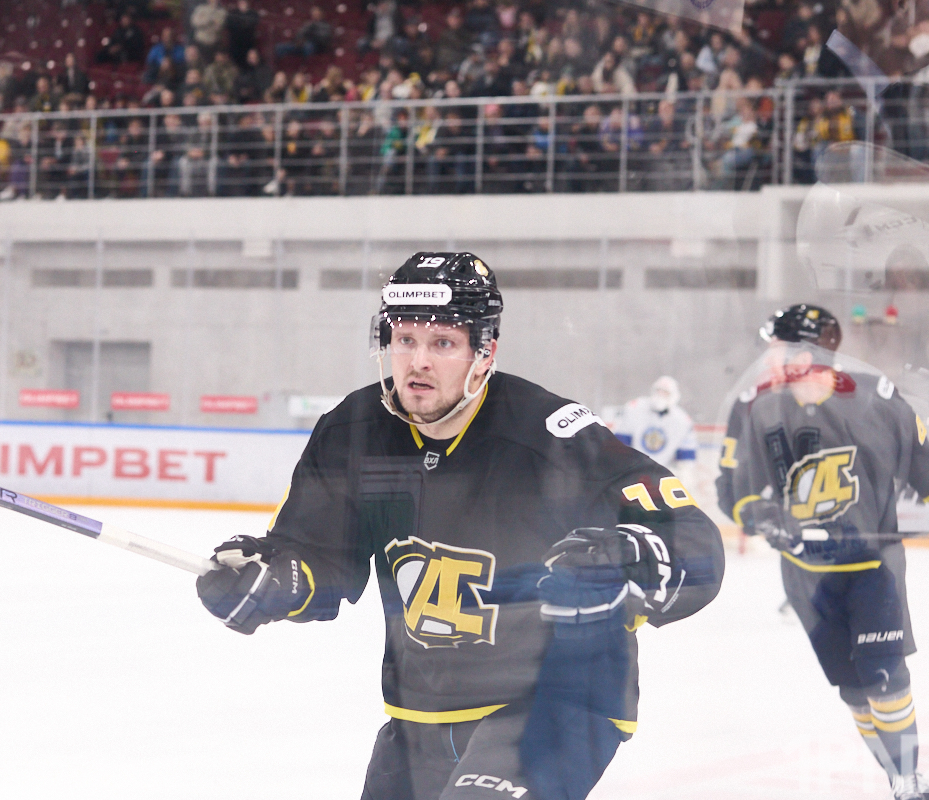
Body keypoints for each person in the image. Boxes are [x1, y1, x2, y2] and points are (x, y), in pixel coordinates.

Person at [195, 252, 725, 800]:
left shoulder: (547, 437)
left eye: (443, 343)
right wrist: (275, 579)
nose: (418, 362)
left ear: (484, 352)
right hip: (419, 713)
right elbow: (317, 555)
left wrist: (633, 558)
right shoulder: (354, 432)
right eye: (405, 340)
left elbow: (691, 539)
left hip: (555, 703)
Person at [716, 304, 929, 800]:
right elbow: (730, 490)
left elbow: (918, 462)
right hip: (807, 575)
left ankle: (907, 780)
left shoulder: (872, 396)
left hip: (872, 567)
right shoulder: (753, 406)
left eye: (776, 347)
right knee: (855, 691)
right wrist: (766, 517)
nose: (768, 357)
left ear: (804, 352)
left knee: (885, 674)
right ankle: (896, 774)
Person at [612, 376, 697, 471]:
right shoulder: (635, 408)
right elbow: (620, 445)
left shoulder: (683, 420)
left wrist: (682, 474)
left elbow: (686, 459)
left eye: (665, 392)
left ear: (674, 395)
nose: (660, 395)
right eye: (658, 391)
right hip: (633, 470)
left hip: (663, 473)